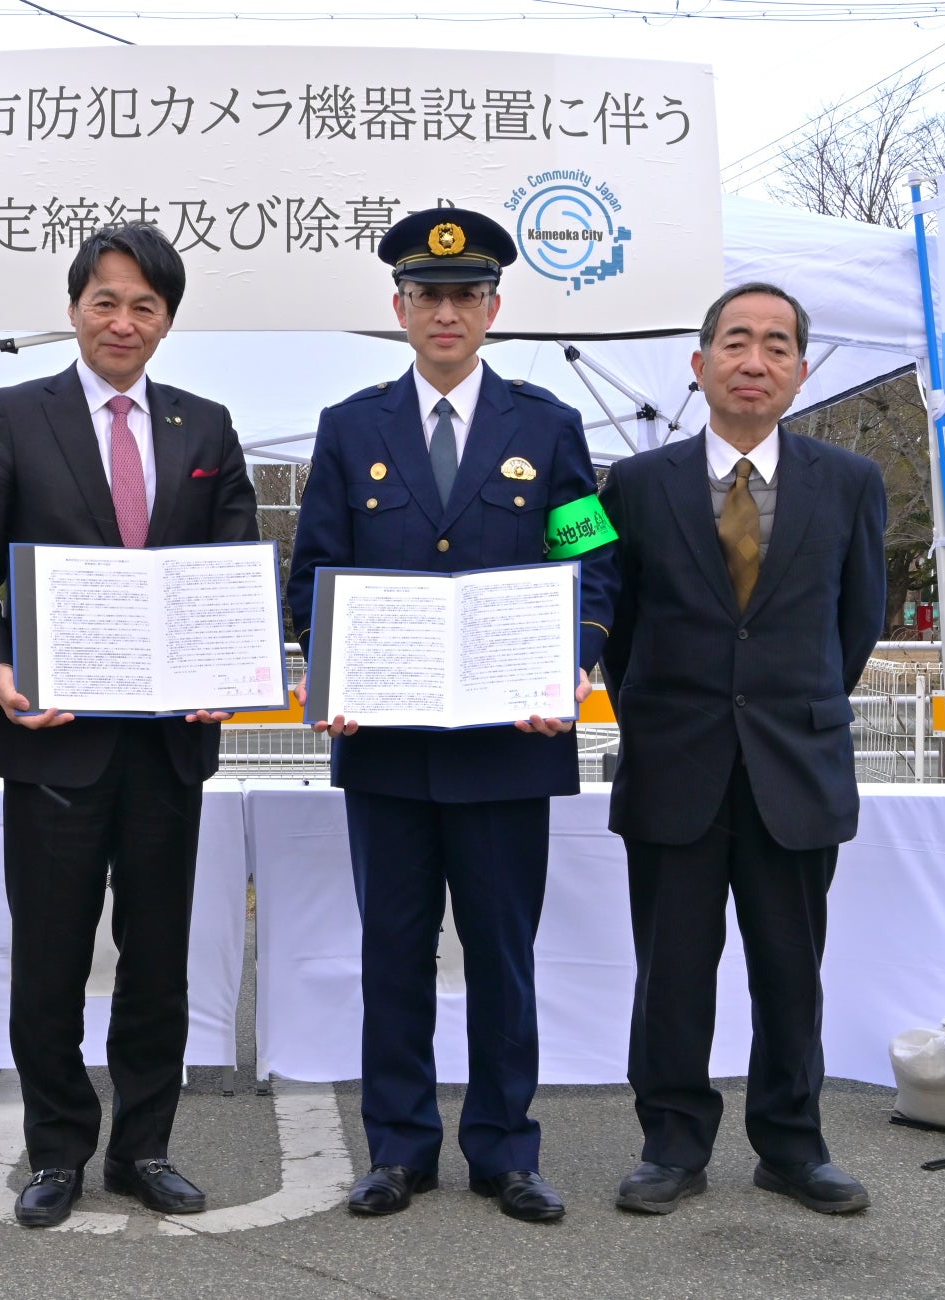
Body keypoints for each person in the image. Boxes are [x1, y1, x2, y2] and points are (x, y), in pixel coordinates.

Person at [285, 207, 619, 1223]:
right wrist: (331, 672)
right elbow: (314, 574)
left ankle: (506, 1150)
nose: (445, 311)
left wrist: (571, 660)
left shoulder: (547, 426)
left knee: (503, 958)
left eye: (465, 295)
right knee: (392, 954)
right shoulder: (352, 427)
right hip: (386, 749)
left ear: (493, 308)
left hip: (509, 748)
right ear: (399, 308)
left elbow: (590, 562)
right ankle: (398, 1149)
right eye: (426, 295)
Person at [0, 223, 259, 1229]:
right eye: (105, 301)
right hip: (53, 738)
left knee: (158, 962)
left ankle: (144, 1148)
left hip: (168, 742)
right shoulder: (12, 415)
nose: (124, 321)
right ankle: (57, 1150)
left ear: (167, 320)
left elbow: (233, 567)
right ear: (75, 308)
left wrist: (229, 668)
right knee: (50, 961)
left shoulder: (206, 426)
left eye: (144, 306)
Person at [598, 282, 886, 1216]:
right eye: (735, 342)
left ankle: (793, 1146)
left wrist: (783, 707)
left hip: (794, 769)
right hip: (674, 766)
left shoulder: (851, 483)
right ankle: (671, 1145)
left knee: (790, 974)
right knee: (672, 974)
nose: (753, 360)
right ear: (700, 363)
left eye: (775, 345)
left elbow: (857, 624)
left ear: (799, 371)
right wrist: (663, 713)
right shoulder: (632, 485)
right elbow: (615, 626)